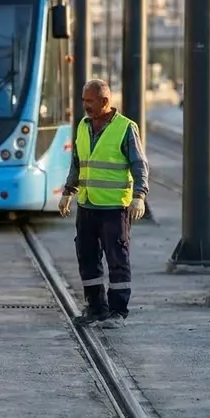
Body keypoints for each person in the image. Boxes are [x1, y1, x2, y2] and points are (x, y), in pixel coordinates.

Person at [58, 79, 149, 328]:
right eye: (83, 100)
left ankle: (118, 311)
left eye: (90, 101)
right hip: (87, 205)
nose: (85, 105)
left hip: (113, 208)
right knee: (87, 258)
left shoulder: (125, 128)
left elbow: (139, 165)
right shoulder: (83, 125)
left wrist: (139, 196)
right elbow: (78, 162)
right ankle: (96, 308)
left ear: (105, 101)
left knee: (117, 259)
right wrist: (68, 191)